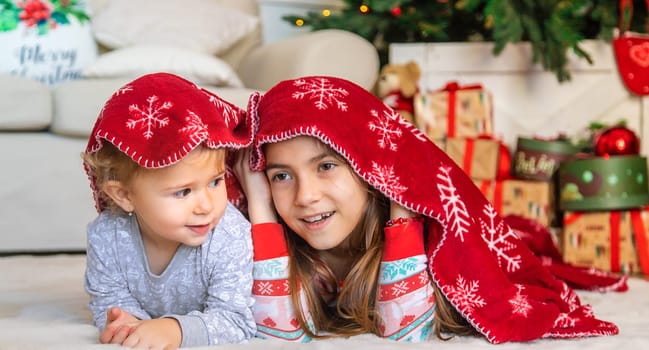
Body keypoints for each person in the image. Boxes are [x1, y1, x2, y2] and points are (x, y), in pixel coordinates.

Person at [233, 76, 619, 344]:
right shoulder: (286, 245)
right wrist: (261, 208)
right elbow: (277, 333)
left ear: (370, 169)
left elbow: (406, 334)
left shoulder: (417, 237)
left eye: (327, 166)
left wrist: (403, 206)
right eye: (282, 175)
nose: (305, 196)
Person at [82, 72, 256, 349]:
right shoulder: (107, 235)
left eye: (215, 181)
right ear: (125, 196)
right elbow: (108, 298)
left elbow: (236, 320)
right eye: (183, 192)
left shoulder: (229, 235)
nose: (207, 206)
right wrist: (125, 320)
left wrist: (174, 330)